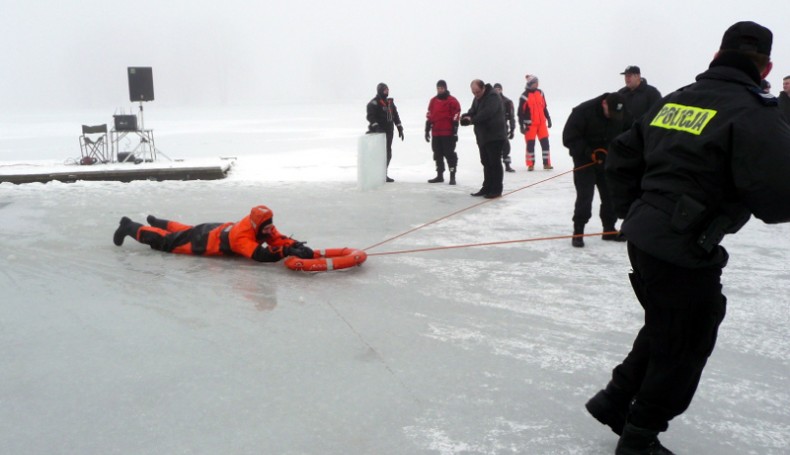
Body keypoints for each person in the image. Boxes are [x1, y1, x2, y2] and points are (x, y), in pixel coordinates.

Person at [589, 21, 790, 454]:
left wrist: (637, 212)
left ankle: (615, 399)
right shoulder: (754, 112)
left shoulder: (677, 99)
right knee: (688, 336)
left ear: (716, 56)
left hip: (647, 237)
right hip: (680, 246)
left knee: (668, 322)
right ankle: (640, 435)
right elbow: (777, 200)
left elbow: (622, 155)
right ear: (767, 66)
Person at [112, 205, 314, 262]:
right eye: (267, 227)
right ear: (257, 225)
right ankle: (129, 226)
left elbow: (276, 237)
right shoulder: (241, 237)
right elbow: (260, 255)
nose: (270, 230)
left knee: (186, 230)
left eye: (271, 226)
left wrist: (294, 245)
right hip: (204, 241)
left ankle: (158, 222)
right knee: (166, 241)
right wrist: (284, 253)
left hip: (215, 230)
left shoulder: (259, 224)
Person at [562, 92, 628, 247]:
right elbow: (569, 137)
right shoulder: (583, 112)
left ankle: (609, 229)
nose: (613, 117)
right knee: (585, 196)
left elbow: (628, 134)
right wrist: (588, 152)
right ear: (604, 104)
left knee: (610, 195)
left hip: (607, 161)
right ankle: (578, 232)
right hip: (585, 161)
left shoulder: (622, 112)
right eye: (610, 113)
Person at [461, 79, 506, 199]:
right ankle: (487, 187)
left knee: (494, 163)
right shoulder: (477, 98)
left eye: (477, 92)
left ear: (483, 88)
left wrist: (472, 120)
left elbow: (487, 113)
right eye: (473, 92)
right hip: (483, 136)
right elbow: (473, 111)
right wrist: (465, 117)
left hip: (495, 136)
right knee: (486, 163)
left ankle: (496, 189)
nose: (476, 94)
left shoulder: (493, 96)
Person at [425, 79, 462, 185]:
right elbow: (429, 115)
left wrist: (455, 131)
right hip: (436, 132)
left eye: (441, 88)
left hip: (448, 133)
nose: (439, 90)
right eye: (438, 88)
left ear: (445, 88)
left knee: (449, 154)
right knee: (437, 154)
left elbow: (456, 115)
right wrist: (427, 129)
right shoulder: (433, 101)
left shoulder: (452, 101)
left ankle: (452, 176)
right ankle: (439, 175)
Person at [367, 82, 403, 183]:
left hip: (389, 131)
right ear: (380, 90)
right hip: (379, 134)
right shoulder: (374, 102)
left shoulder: (390, 102)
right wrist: (376, 127)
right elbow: (371, 116)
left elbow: (395, 115)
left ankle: (383, 174)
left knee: (388, 154)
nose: (387, 91)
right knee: (378, 155)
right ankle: (374, 174)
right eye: (385, 89)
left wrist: (399, 127)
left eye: (388, 89)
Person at [517, 75, 553, 171]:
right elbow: (520, 113)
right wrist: (521, 126)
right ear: (531, 84)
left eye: (537, 82)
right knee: (530, 145)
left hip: (542, 124)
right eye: (535, 82)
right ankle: (530, 164)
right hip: (530, 125)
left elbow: (544, 107)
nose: (537, 84)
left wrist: (548, 119)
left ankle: (547, 164)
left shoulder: (540, 93)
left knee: (545, 144)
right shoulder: (524, 96)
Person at [494, 83, 517, 172]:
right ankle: (495, 166)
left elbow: (511, 117)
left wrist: (512, 129)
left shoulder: (507, 102)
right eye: (495, 89)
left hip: (503, 128)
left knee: (505, 147)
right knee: (493, 148)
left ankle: (507, 165)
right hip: (492, 128)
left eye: (499, 89)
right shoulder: (489, 101)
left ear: (501, 90)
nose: (497, 91)